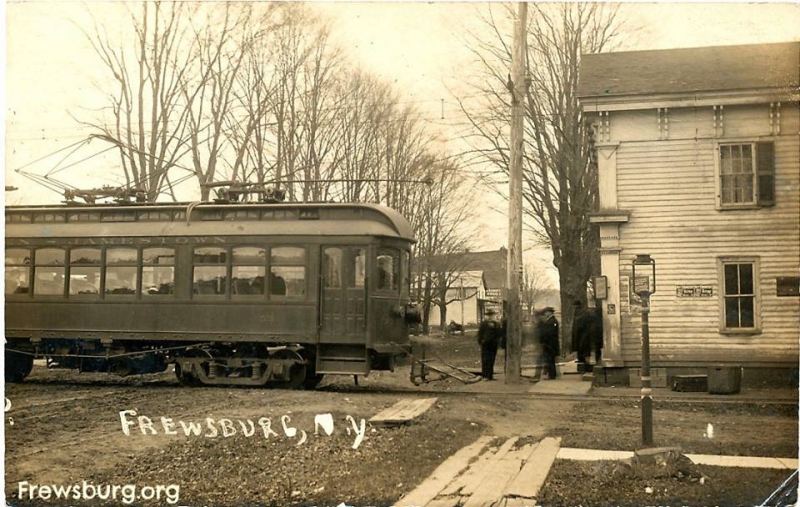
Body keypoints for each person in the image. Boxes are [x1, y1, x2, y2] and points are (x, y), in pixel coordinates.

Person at [477, 309, 503, 380]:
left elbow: (499, 333)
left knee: (491, 360)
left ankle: (490, 375)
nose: (490, 317)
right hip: (485, 344)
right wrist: (481, 341)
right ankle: (485, 375)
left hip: (493, 344)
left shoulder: (496, 324)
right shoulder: (484, 324)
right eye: (489, 315)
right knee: (485, 360)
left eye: (491, 315)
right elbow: (480, 333)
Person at [537, 307, 560, 380]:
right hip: (550, 344)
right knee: (550, 360)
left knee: (550, 360)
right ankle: (552, 374)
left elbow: (550, 333)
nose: (545, 314)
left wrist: (545, 340)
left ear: (550, 312)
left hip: (550, 344)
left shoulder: (552, 321)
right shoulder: (551, 321)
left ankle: (552, 375)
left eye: (546, 312)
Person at [571, 300, 592, 373]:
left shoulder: (579, 314)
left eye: (574, 306)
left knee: (582, 352)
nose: (574, 308)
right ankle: (585, 367)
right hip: (583, 336)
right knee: (584, 352)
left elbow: (578, 326)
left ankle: (585, 368)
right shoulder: (582, 313)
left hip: (581, 336)